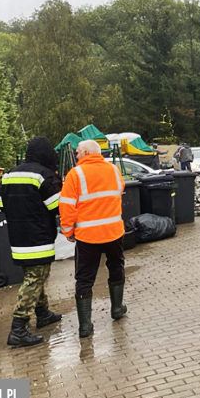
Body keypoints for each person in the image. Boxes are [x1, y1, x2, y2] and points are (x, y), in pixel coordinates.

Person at [0, 137, 63, 347]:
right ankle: (18, 328)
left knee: (33, 274)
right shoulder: (43, 175)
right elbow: (56, 206)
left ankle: (43, 313)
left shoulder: (8, 175)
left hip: (18, 237)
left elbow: (0, 204)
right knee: (36, 278)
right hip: (39, 237)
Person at [60, 139, 127, 338]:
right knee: (116, 266)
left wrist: (67, 231)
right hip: (114, 232)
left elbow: (66, 206)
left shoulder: (75, 174)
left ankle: (85, 326)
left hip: (88, 236)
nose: (77, 156)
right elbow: (119, 191)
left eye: (78, 152)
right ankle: (117, 308)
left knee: (84, 278)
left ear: (87, 152)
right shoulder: (113, 170)